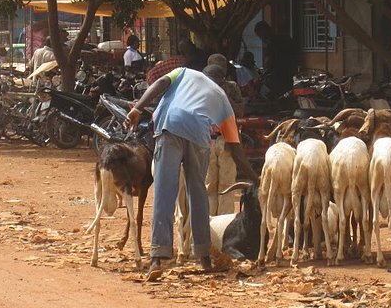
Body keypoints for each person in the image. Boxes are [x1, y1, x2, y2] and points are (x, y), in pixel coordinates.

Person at [125, 64, 258, 281]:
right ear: (221, 80)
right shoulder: (223, 100)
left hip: (170, 128)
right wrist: (256, 178)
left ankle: (158, 258)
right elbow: (236, 150)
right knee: (198, 196)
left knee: (164, 194)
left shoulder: (185, 72)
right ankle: (204, 257)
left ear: (203, 73)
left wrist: (137, 108)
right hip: (199, 136)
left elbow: (160, 84)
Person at [205, 53, 245, 215]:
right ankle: (208, 224)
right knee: (208, 185)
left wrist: (223, 94)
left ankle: (225, 222)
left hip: (226, 140)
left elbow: (240, 112)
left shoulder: (231, 87)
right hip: (207, 141)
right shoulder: (200, 88)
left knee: (227, 185)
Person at [254, 20, 299, 99]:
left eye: (260, 36)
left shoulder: (271, 44)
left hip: (276, 80)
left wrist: (262, 76)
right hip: (288, 78)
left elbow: (269, 63)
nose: (262, 39)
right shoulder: (287, 39)